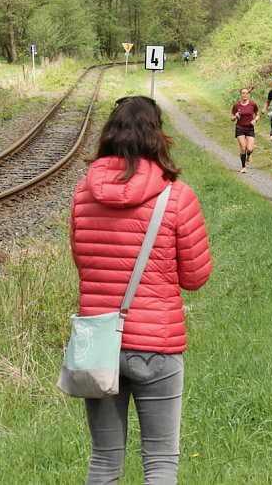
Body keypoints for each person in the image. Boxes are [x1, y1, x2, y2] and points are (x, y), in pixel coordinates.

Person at [69, 95, 212, 484]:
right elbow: (196, 278)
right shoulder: (176, 196)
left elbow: (84, 263)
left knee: (103, 460)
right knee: (161, 461)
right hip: (157, 343)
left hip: (99, 343)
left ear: (110, 135)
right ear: (157, 136)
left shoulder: (84, 193)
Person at [231, 87, 260, 173]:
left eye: (246, 93)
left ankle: (249, 155)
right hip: (240, 128)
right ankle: (243, 167)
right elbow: (231, 118)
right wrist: (235, 116)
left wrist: (255, 120)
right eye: (243, 93)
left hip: (250, 129)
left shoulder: (252, 104)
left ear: (248, 95)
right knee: (243, 148)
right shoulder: (236, 105)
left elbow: (257, 114)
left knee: (250, 149)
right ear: (240, 95)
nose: (245, 95)